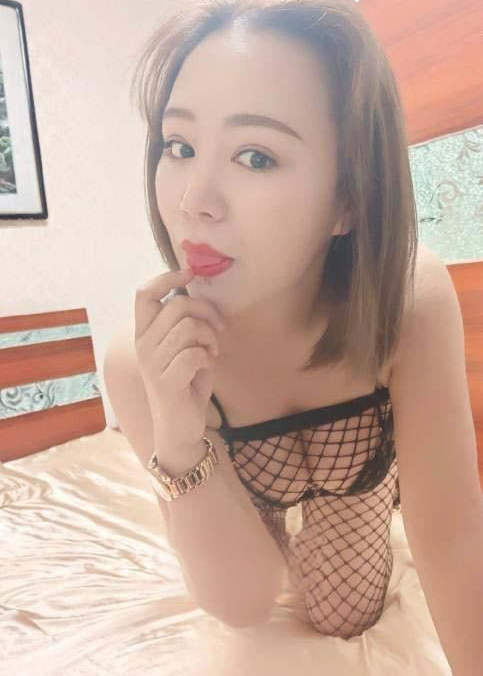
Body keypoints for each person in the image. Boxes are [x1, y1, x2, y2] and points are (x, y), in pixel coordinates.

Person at [129, 0, 418, 639]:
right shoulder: (141, 358)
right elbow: (243, 605)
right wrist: (178, 438)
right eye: (179, 146)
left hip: (353, 461)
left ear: (348, 200)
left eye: (255, 157)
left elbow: (455, 533)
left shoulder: (407, 299)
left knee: (342, 615)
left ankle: (376, 481)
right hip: (233, 467)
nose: (193, 202)